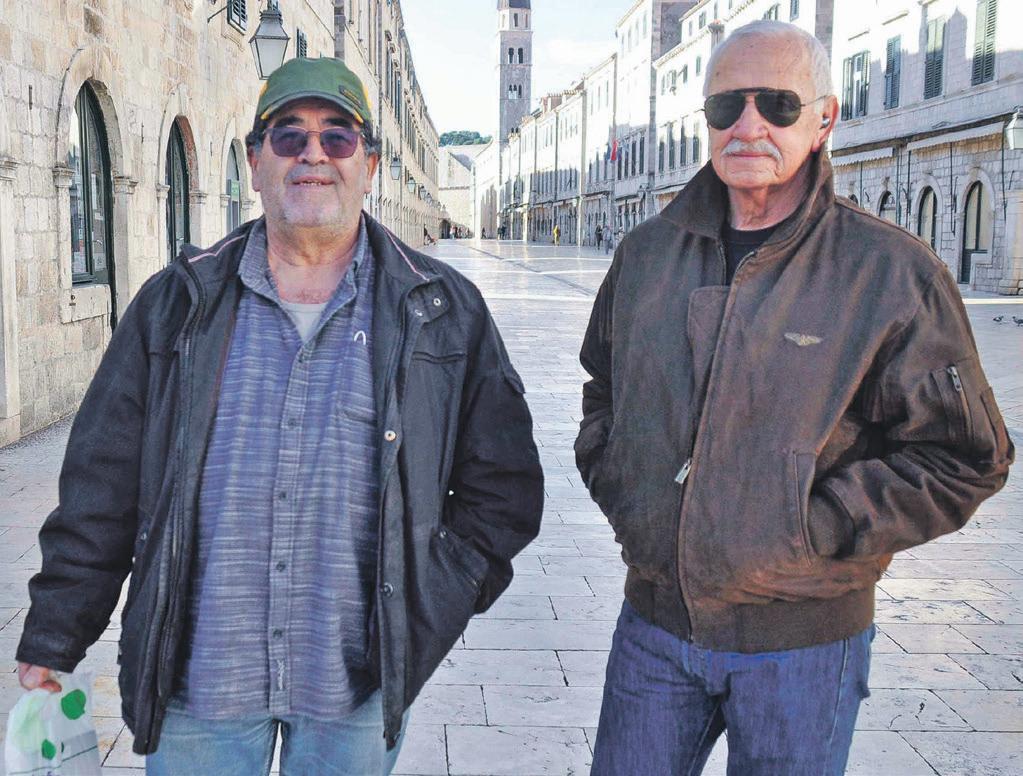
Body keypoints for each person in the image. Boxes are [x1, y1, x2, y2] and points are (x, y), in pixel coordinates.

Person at [17, 57, 544, 776]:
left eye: (338, 137)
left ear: (370, 164)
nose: (313, 155)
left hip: (354, 690)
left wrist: (433, 599)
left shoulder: (443, 310)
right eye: (289, 136)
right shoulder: (176, 304)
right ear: (255, 161)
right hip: (198, 685)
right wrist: (56, 634)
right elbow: (100, 486)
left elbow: (504, 488)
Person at [576, 21, 1013, 776]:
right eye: (726, 107)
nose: (747, 126)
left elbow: (967, 457)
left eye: (777, 104)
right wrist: (627, 490)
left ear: (824, 120)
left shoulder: (890, 272)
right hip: (654, 627)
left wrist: (817, 524)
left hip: (803, 646)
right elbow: (602, 390)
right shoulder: (646, 254)